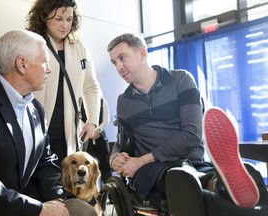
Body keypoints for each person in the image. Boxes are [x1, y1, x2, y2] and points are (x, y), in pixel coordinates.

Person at [107, 33, 268, 215]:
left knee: (246, 173)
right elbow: (121, 143)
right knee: (181, 178)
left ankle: (215, 182)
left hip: (189, 161)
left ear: (142, 54)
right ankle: (215, 183)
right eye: (114, 62)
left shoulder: (181, 80)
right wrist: (114, 158)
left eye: (122, 58)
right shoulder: (124, 101)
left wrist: (141, 159)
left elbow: (192, 134)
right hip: (151, 172)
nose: (119, 67)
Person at [0, 30, 97, 216]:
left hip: (29, 201)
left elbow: (45, 163)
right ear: (22, 64)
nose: (49, 69)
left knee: (84, 211)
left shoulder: (36, 108)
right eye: (45, 61)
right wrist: (39, 209)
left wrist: (58, 200)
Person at [26, 0, 101, 166]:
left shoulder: (79, 48)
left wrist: (92, 120)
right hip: (35, 126)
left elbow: (90, 86)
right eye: (59, 19)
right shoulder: (30, 44)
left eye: (69, 19)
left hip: (68, 130)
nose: (65, 25)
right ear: (43, 17)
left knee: (65, 180)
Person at [81, 96, 112, 186]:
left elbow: (106, 120)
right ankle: (91, 194)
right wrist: (88, 131)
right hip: (86, 139)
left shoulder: (102, 102)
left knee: (105, 165)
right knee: (88, 165)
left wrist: (97, 130)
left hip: (100, 137)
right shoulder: (80, 102)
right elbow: (79, 119)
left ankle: (109, 192)